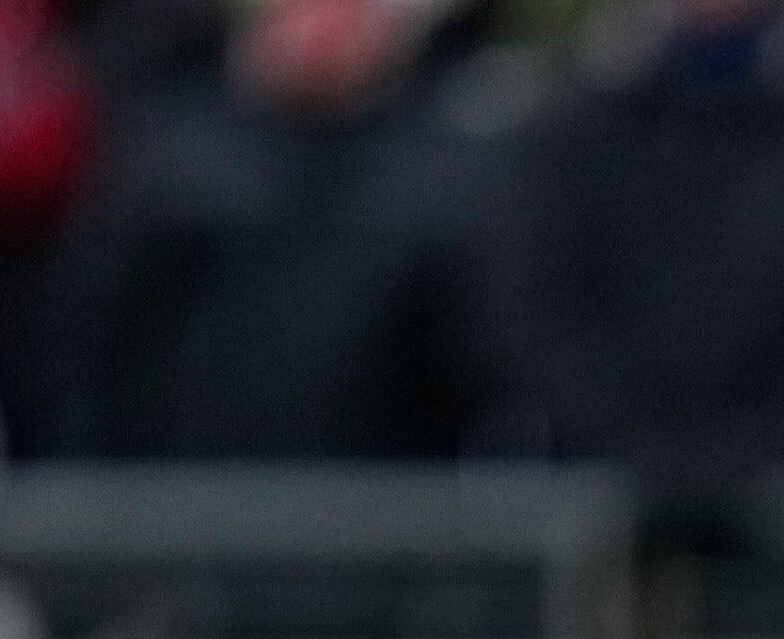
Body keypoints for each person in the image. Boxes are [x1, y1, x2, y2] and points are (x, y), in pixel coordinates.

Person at [477, 0, 784, 501]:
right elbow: (539, 309)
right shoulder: (571, 135)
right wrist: (642, 450)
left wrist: (753, 454)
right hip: (600, 504)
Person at [28, 0, 509, 460]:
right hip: (189, 503)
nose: (322, 27)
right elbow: (95, 355)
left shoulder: (446, 180)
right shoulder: (175, 167)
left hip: (379, 506)